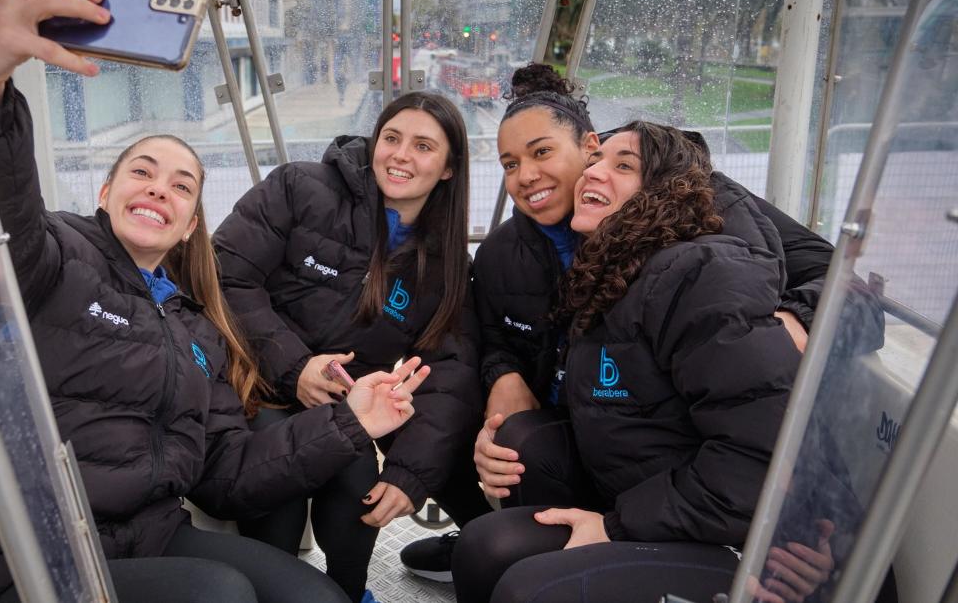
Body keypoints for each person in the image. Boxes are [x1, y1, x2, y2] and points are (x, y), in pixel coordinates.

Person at [0, 0, 433, 603]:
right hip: (34, 546)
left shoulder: (196, 333)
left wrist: (351, 422)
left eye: (181, 186)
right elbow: (6, 211)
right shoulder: (53, 259)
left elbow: (228, 474)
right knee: (220, 594)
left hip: (151, 534)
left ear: (191, 223)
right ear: (109, 189)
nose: (158, 190)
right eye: (142, 172)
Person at [399, 62, 836, 581]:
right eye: (510, 163)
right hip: (603, 438)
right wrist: (503, 377)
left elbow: (836, 274)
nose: (527, 176)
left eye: (542, 152)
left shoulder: (695, 216)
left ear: (587, 146)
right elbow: (494, 334)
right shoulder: (503, 253)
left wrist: (791, 319)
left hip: (692, 461)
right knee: (471, 424)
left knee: (519, 558)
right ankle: (512, 542)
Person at [451, 121, 802, 603]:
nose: (594, 173)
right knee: (482, 546)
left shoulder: (700, 275)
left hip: (757, 547)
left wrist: (614, 526)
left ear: (665, 193)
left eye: (623, 166)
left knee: (525, 590)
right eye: (596, 161)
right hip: (669, 509)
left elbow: (756, 458)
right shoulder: (611, 279)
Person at [212, 91, 486, 600]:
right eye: (392, 138)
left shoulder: (445, 263)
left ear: (449, 168)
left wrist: (410, 472)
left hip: (348, 406)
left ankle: (347, 592)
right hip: (257, 382)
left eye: (423, 146)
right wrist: (297, 367)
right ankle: (276, 591)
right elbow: (226, 276)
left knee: (361, 476)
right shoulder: (301, 188)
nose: (401, 155)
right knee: (279, 481)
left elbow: (449, 372)